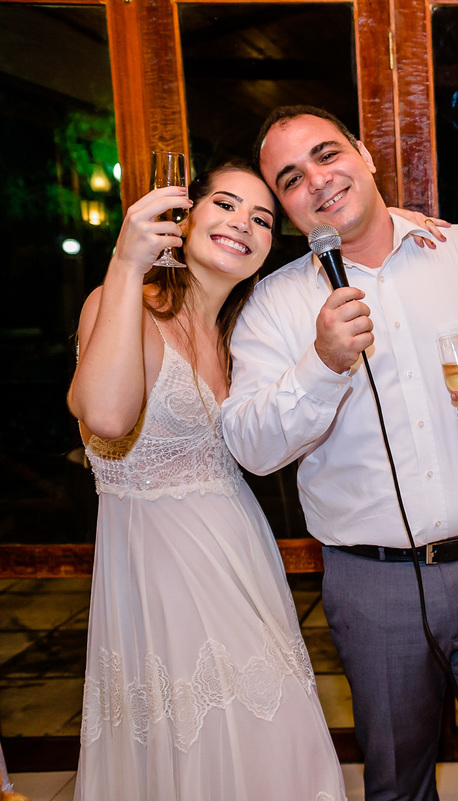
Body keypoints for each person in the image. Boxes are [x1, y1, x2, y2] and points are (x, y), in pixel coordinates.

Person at [222, 105, 458, 801]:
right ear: (286, 208)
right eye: (291, 178)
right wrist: (322, 363)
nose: (317, 180)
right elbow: (252, 445)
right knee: (397, 786)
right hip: (372, 586)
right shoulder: (274, 306)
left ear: (365, 153)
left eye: (327, 154)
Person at [68, 160, 347, 800]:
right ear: (184, 217)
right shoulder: (121, 304)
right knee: (212, 748)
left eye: (262, 219)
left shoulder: (242, 339)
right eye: (224, 205)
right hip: (160, 573)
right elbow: (106, 417)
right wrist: (125, 262)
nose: (242, 224)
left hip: (242, 558)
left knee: (278, 745)